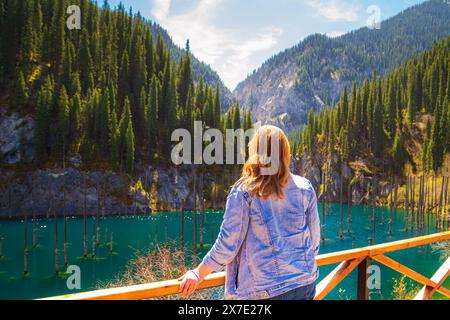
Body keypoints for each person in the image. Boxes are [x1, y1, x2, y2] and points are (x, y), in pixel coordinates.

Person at [178, 125, 320, 300]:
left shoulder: (246, 191)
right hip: (305, 283)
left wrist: (199, 273)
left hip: (265, 291)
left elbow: (228, 244)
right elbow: (313, 242)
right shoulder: (304, 187)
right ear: (285, 153)